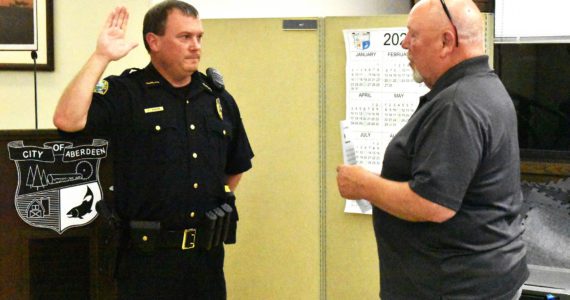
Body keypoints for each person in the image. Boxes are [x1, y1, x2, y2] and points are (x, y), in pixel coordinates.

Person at [53, 1, 254, 299]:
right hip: (147, 263)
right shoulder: (127, 93)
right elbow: (67, 120)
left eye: (199, 37)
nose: (195, 46)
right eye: (184, 37)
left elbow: (235, 167)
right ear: (154, 42)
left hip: (206, 262)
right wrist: (101, 57)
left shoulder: (217, 99)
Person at [336, 0, 528, 299]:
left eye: (413, 35)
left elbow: (433, 204)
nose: (403, 44)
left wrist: (364, 185)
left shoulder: (457, 104)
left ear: (446, 41)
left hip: (453, 287)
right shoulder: (485, 87)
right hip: (485, 277)